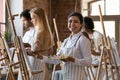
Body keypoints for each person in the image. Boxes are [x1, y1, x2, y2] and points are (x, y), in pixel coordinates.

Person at [38, 12, 92, 80]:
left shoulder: (83, 40)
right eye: (70, 21)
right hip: (66, 77)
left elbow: (88, 62)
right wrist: (41, 57)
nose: (72, 24)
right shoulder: (66, 41)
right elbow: (56, 59)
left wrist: (72, 59)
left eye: (76, 21)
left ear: (81, 24)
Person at [27, 7, 54, 80]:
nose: (31, 20)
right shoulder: (46, 31)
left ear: (38, 18)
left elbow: (35, 51)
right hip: (42, 63)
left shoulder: (40, 32)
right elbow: (50, 51)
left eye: (33, 18)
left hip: (36, 63)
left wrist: (26, 50)